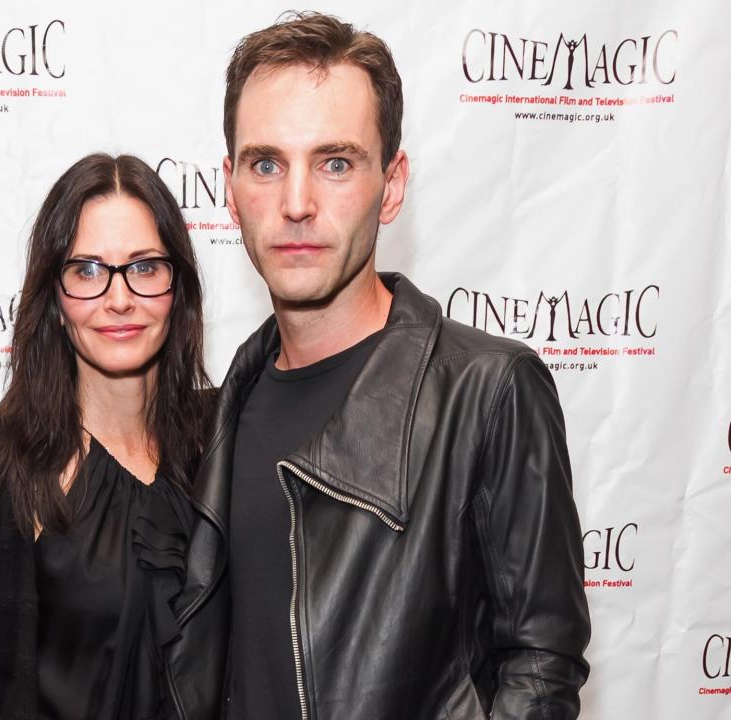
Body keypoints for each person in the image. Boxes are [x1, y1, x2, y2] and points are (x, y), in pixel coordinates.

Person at [167, 13, 591, 720]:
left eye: (335, 163)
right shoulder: (224, 410)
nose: (296, 204)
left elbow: (542, 667)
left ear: (391, 186)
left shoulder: (487, 393)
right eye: (266, 163)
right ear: (230, 188)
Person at [0, 153, 212, 720]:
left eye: (144, 266)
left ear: (176, 286)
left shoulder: (224, 441)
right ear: (55, 301)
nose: (118, 298)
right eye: (86, 269)